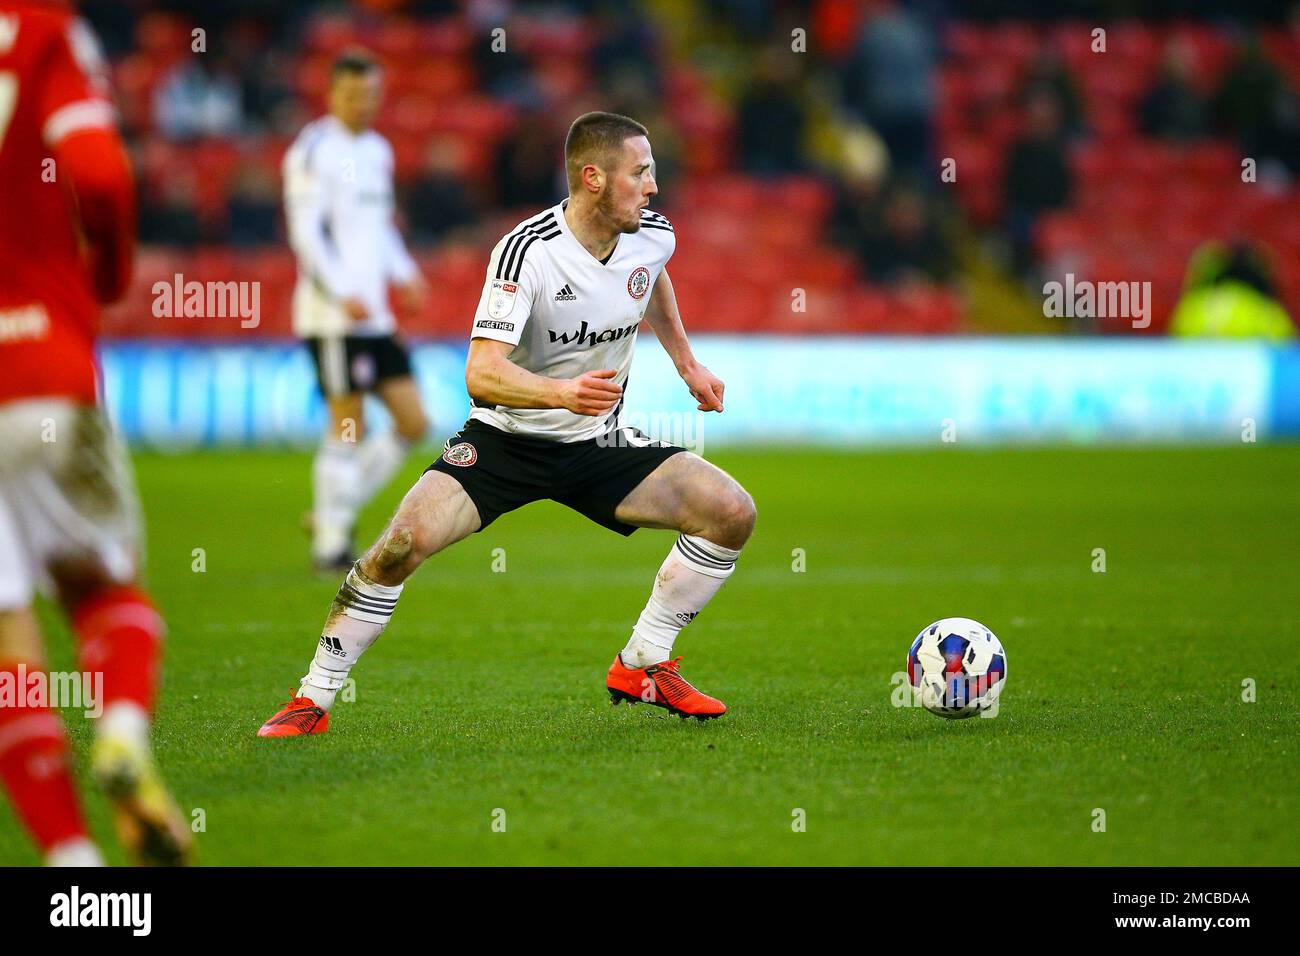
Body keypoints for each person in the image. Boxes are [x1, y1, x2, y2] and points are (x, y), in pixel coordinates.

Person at [258, 111, 756, 735]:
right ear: (593, 177)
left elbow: (651, 280)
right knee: (398, 547)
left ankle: (644, 663)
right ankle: (314, 697)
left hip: (596, 441)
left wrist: (687, 363)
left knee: (732, 512)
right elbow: (481, 373)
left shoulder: (652, 234)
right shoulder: (527, 251)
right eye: (641, 172)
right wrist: (559, 393)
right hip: (505, 442)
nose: (653, 186)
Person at [0, 0, 190, 865]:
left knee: (8, 647)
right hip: (38, 359)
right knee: (105, 588)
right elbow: (100, 172)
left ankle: (71, 868)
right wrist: (107, 274)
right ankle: (118, 731)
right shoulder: (39, 25)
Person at [283, 50, 431, 570]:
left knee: (414, 422)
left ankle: (333, 513)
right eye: (351, 94)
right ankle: (331, 543)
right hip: (332, 316)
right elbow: (306, 232)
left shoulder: (377, 150)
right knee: (349, 422)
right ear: (332, 94)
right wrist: (341, 289)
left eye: (370, 94)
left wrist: (403, 271)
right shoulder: (313, 149)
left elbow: (380, 225)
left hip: (375, 317)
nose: (362, 103)